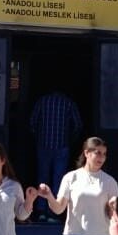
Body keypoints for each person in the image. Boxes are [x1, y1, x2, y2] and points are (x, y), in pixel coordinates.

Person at [29, 90, 82, 221]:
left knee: (43, 178)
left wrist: (38, 138)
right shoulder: (68, 103)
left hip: (43, 145)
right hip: (62, 146)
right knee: (59, 179)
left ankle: (41, 211)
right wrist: (70, 140)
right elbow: (78, 125)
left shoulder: (42, 101)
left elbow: (32, 122)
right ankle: (54, 212)